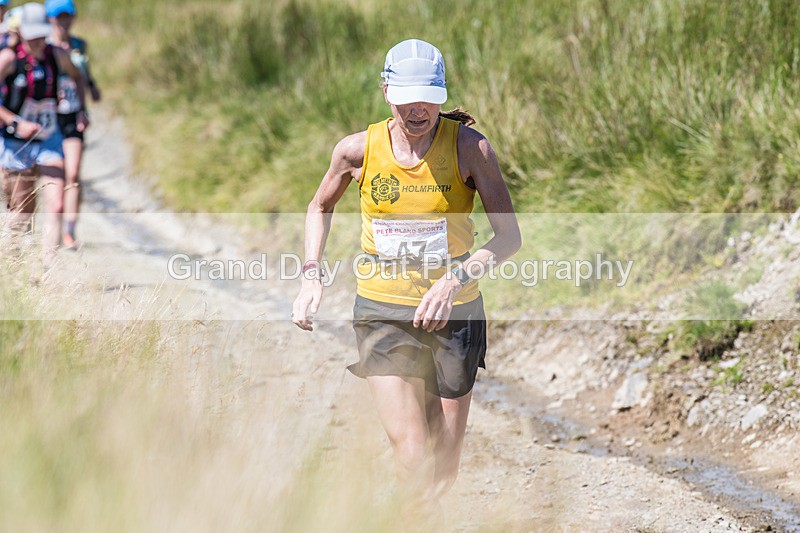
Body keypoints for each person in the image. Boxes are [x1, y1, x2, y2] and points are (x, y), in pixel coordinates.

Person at [292, 38, 521, 523]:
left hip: (455, 314)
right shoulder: (357, 149)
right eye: (407, 96)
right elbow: (319, 205)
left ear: (441, 94)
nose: (418, 109)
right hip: (383, 311)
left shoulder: (469, 148)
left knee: (443, 465)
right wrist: (311, 274)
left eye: (429, 97)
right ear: (385, 91)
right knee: (413, 454)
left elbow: (508, 237)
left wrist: (453, 282)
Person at [0, 2, 88, 263]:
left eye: (41, 34)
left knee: (57, 204)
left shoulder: (56, 54)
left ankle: (46, 269)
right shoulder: (8, 58)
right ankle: (14, 263)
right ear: (22, 32)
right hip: (17, 142)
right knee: (22, 209)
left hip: (49, 138)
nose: (38, 41)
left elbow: (76, 76)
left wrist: (80, 108)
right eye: (33, 35)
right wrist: (15, 122)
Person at [46, 0, 98, 249]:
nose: (64, 21)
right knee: (53, 174)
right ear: (50, 18)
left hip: (72, 114)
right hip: (49, 116)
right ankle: (43, 228)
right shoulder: (44, 45)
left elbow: (82, 74)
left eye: (68, 16)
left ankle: (69, 230)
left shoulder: (79, 45)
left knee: (74, 172)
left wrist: (85, 105)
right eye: (59, 16)